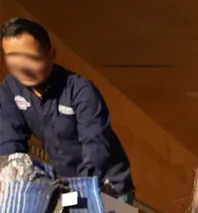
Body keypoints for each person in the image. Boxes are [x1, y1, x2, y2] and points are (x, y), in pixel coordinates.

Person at [0, 18, 134, 201]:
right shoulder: (10, 89)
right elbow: (10, 142)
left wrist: (79, 190)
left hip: (107, 186)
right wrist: (12, 181)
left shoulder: (80, 90)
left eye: (31, 58)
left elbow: (96, 146)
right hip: (65, 184)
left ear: (51, 54)